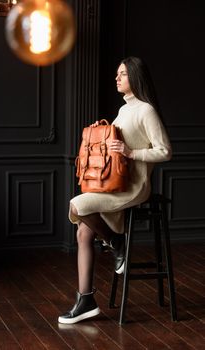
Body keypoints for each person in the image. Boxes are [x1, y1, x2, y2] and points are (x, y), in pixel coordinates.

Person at [58, 56, 172, 324]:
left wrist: (131, 152)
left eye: (122, 74)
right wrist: (104, 132)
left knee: (77, 205)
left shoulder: (146, 110)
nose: (117, 78)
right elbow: (117, 145)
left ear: (135, 76)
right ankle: (85, 299)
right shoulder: (124, 110)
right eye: (117, 74)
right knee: (83, 231)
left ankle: (116, 243)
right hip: (114, 184)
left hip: (134, 187)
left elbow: (165, 151)